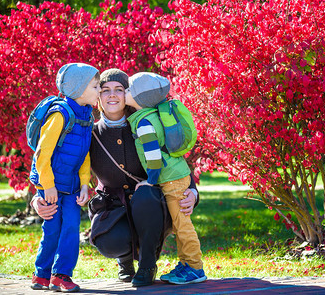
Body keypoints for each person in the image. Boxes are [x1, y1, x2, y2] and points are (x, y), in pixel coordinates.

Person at [31, 68, 199, 288]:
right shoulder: (87, 131)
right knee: (109, 241)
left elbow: (173, 160)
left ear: (129, 95)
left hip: (152, 207)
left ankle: (147, 265)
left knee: (145, 195)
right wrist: (39, 196)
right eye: (105, 89)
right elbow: (60, 160)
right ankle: (125, 260)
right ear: (97, 97)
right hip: (113, 208)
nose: (112, 95)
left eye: (119, 89)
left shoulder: (145, 123)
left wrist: (193, 191)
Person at [125, 72, 206, 285]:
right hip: (176, 175)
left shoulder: (143, 123)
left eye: (127, 90)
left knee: (182, 224)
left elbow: (153, 156)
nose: (124, 92)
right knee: (181, 223)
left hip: (171, 179)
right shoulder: (153, 116)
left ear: (139, 98)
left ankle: (194, 267)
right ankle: (188, 264)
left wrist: (151, 180)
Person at [29, 63, 100, 292]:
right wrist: (47, 186)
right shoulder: (60, 115)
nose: (99, 90)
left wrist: (83, 185)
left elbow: (84, 157)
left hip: (71, 187)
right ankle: (41, 274)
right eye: (96, 86)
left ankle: (61, 275)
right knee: (52, 229)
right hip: (50, 185)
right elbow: (42, 153)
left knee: (70, 228)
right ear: (80, 90)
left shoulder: (87, 117)